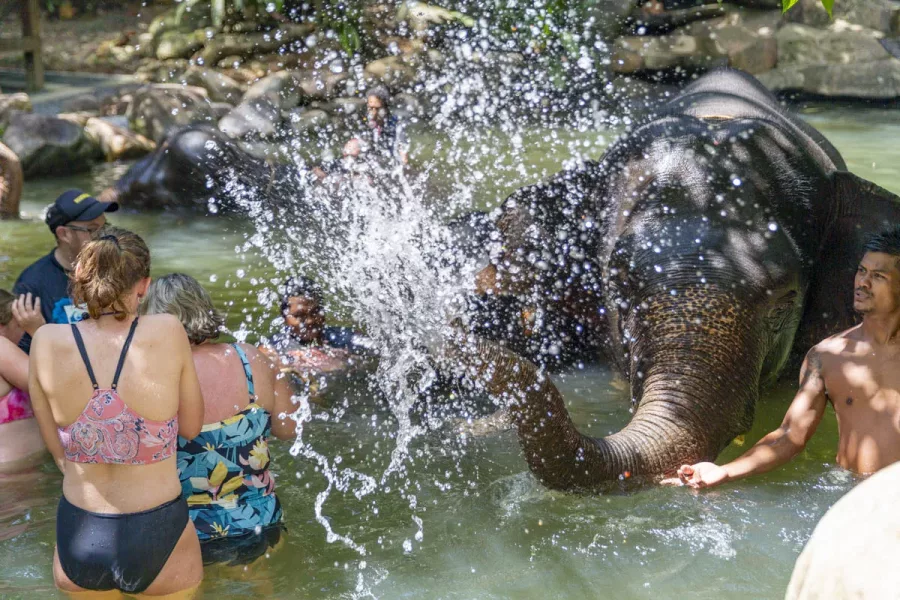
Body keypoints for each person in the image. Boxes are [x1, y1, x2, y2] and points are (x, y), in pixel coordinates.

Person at [28, 226, 205, 596]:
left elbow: (58, 451)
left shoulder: (46, 341)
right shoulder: (168, 331)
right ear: (144, 285)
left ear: (80, 280)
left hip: (80, 530)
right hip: (158, 524)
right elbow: (191, 426)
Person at [671, 227, 900, 488]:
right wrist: (725, 471)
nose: (863, 283)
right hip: (855, 499)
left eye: (878, 275)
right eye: (861, 271)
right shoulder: (827, 357)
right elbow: (790, 436)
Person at [142, 273, 296, 565]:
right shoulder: (253, 358)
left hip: (186, 531)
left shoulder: (153, 374)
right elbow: (288, 429)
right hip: (261, 521)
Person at [13, 188, 118, 353]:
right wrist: (40, 331)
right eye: (92, 229)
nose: (104, 236)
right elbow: (25, 358)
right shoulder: (31, 286)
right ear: (64, 234)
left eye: (105, 227)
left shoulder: (117, 268)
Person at [0, 290, 46, 472]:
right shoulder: (1, 347)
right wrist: (39, 330)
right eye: (18, 323)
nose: (22, 332)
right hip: (16, 473)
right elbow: (54, 384)